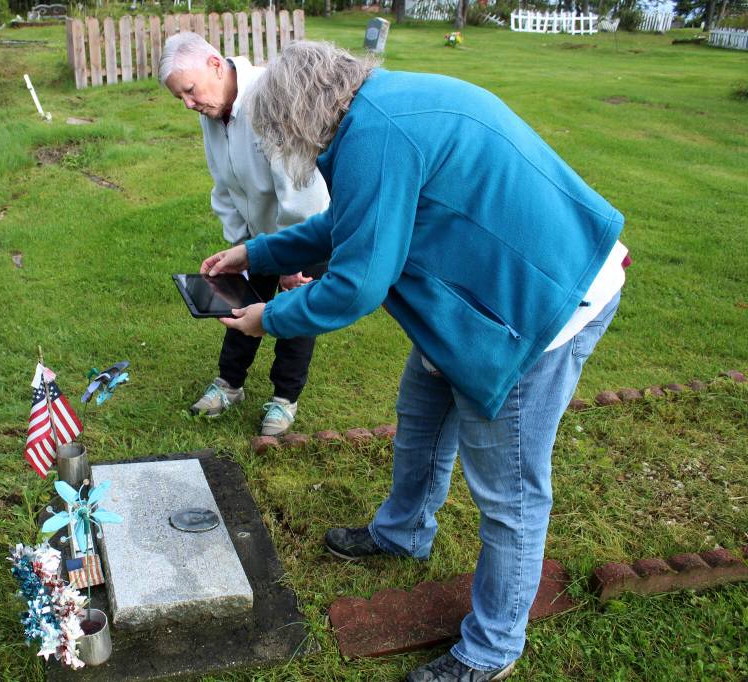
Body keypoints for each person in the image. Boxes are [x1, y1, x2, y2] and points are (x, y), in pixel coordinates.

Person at [201, 41, 628, 682]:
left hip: (538, 310)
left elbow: (358, 284)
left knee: (510, 493)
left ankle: (492, 649)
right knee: (423, 412)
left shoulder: (378, 134)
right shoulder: (375, 106)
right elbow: (350, 223)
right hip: (483, 292)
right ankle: (402, 533)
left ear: (300, 114)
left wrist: (271, 319)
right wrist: (256, 255)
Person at [158, 33, 330, 437]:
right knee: (238, 306)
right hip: (258, 234)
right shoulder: (212, 113)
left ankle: (285, 399)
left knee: (295, 313)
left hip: (306, 230)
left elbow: (301, 188)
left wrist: (290, 257)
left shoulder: (271, 96)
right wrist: (240, 248)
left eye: (190, 91)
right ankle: (228, 385)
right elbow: (224, 185)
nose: (188, 104)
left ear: (215, 65)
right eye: (179, 98)